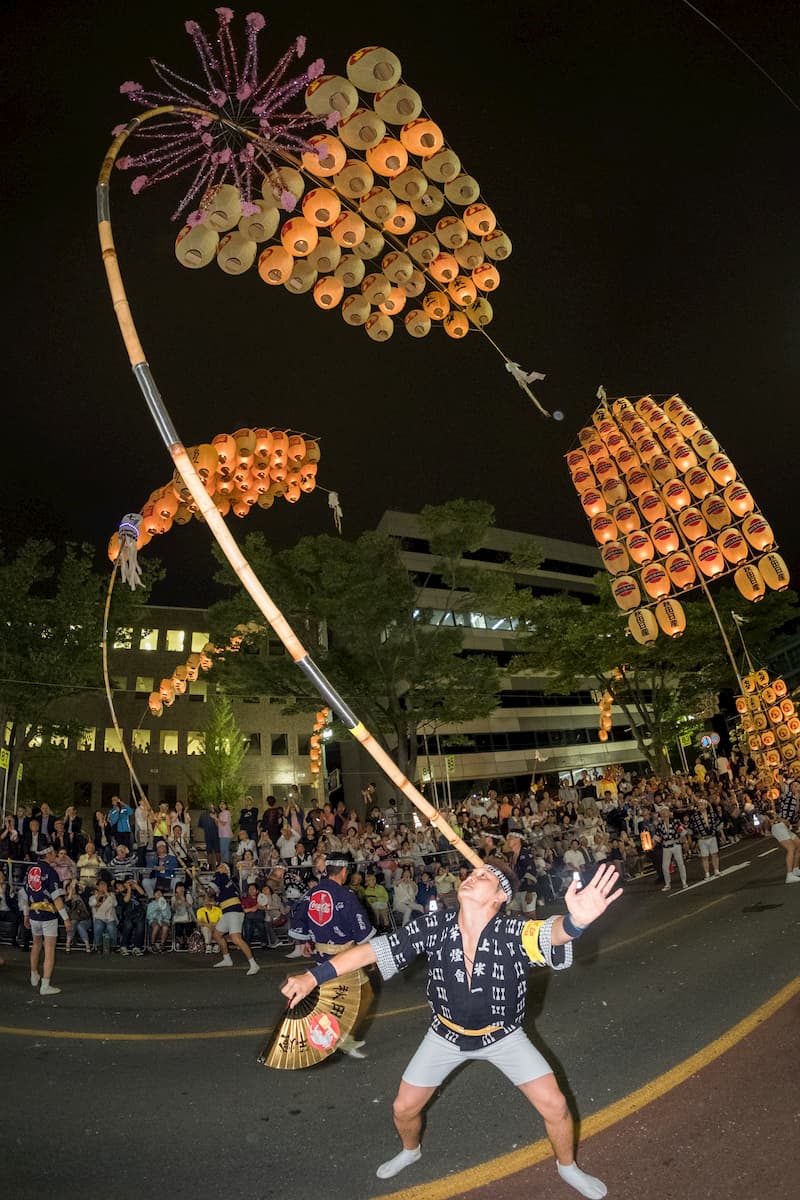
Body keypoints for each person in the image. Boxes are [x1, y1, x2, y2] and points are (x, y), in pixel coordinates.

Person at [283, 860, 621, 1197]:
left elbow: (553, 932)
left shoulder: (513, 931)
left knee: (556, 1106)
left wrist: (576, 922)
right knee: (403, 1108)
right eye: (472, 873)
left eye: (484, 876)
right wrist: (313, 976)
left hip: (503, 1037)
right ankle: (411, 1150)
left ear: (500, 897)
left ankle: (568, 1166)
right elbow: (371, 950)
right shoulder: (435, 925)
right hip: (444, 1036)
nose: (472, 877)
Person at [287, 851, 374, 1057]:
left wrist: (308, 940)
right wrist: (370, 955)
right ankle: (339, 1036)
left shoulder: (311, 894)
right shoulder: (346, 896)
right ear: (344, 871)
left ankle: (333, 1035)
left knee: (335, 997)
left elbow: (299, 922)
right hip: (344, 957)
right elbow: (363, 933)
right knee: (364, 996)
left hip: (321, 955)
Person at [19, 847, 72, 994]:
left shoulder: (31, 870)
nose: (55, 855)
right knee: (49, 949)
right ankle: (45, 984)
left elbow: (25, 894)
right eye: (53, 853)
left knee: (36, 945)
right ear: (48, 854)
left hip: (34, 913)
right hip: (48, 914)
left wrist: (26, 914)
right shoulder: (51, 872)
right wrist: (66, 919)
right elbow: (56, 898)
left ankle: (34, 974)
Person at [207, 862, 260, 975]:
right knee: (217, 935)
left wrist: (207, 891)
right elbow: (220, 898)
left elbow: (211, 890)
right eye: (218, 867)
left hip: (234, 912)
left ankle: (253, 964)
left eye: (222, 866)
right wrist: (213, 900)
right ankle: (227, 959)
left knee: (236, 939)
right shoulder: (228, 882)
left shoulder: (221, 876)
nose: (218, 868)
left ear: (226, 870)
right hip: (228, 911)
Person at [769, 785, 800, 884]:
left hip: (785, 826)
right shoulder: (788, 796)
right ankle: (789, 875)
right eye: (795, 785)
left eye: (798, 785)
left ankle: (795, 869)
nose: (798, 786)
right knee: (791, 848)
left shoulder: (797, 799)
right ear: (791, 788)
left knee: (799, 845)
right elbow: (782, 787)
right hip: (779, 825)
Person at [654, 805, 689, 892]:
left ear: (669, 813)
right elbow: (657, 837)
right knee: (665, 866)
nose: (664, 813)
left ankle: (684, 882)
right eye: (662, 812)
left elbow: (682, 833)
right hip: (666, 846)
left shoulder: (675, 822)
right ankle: (667, 884)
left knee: (680, 863)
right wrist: (653, 843)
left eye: (666, 811)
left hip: (676, 844)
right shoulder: (659, 825)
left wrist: (685, 843)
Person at [689, 798, 722, 881]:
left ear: (706, 805)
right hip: (702, 839)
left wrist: (716, 831)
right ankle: (707, 873)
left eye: (702, 804)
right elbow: (692, 828)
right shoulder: (694, 816)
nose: (700, 806)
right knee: (704, 857)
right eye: (699, 805)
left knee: (714, 854)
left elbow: (718, 822)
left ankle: (716, 870)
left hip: (712, 837)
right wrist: (696, 836)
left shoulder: (711, 814)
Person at [89, 879, 119, 952]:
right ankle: (99, 946)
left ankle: (113, 946)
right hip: (99, 918)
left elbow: (115, 904)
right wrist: (99, 896)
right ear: (97, 886)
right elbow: (91, 903)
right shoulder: (93, 897)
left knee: (111, 927)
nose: (103, 886)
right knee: (98, 927)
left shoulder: (111, 895)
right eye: (101, 885)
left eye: (104, 885)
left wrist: (107, 893)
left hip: (110, 918)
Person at [147, 887, 171, 951]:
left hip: (164, 919)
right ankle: (152, 943)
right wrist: (155, 912)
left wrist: (162, 911)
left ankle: (162, 944)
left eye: (160, 893)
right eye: (157, 893)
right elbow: (148, 915)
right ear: (154, 895)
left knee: (165, 927)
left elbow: (168, 915)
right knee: (156, 926)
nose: (159, 894)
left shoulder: (166, 904)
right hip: (154, 919)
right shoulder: (151, 904)